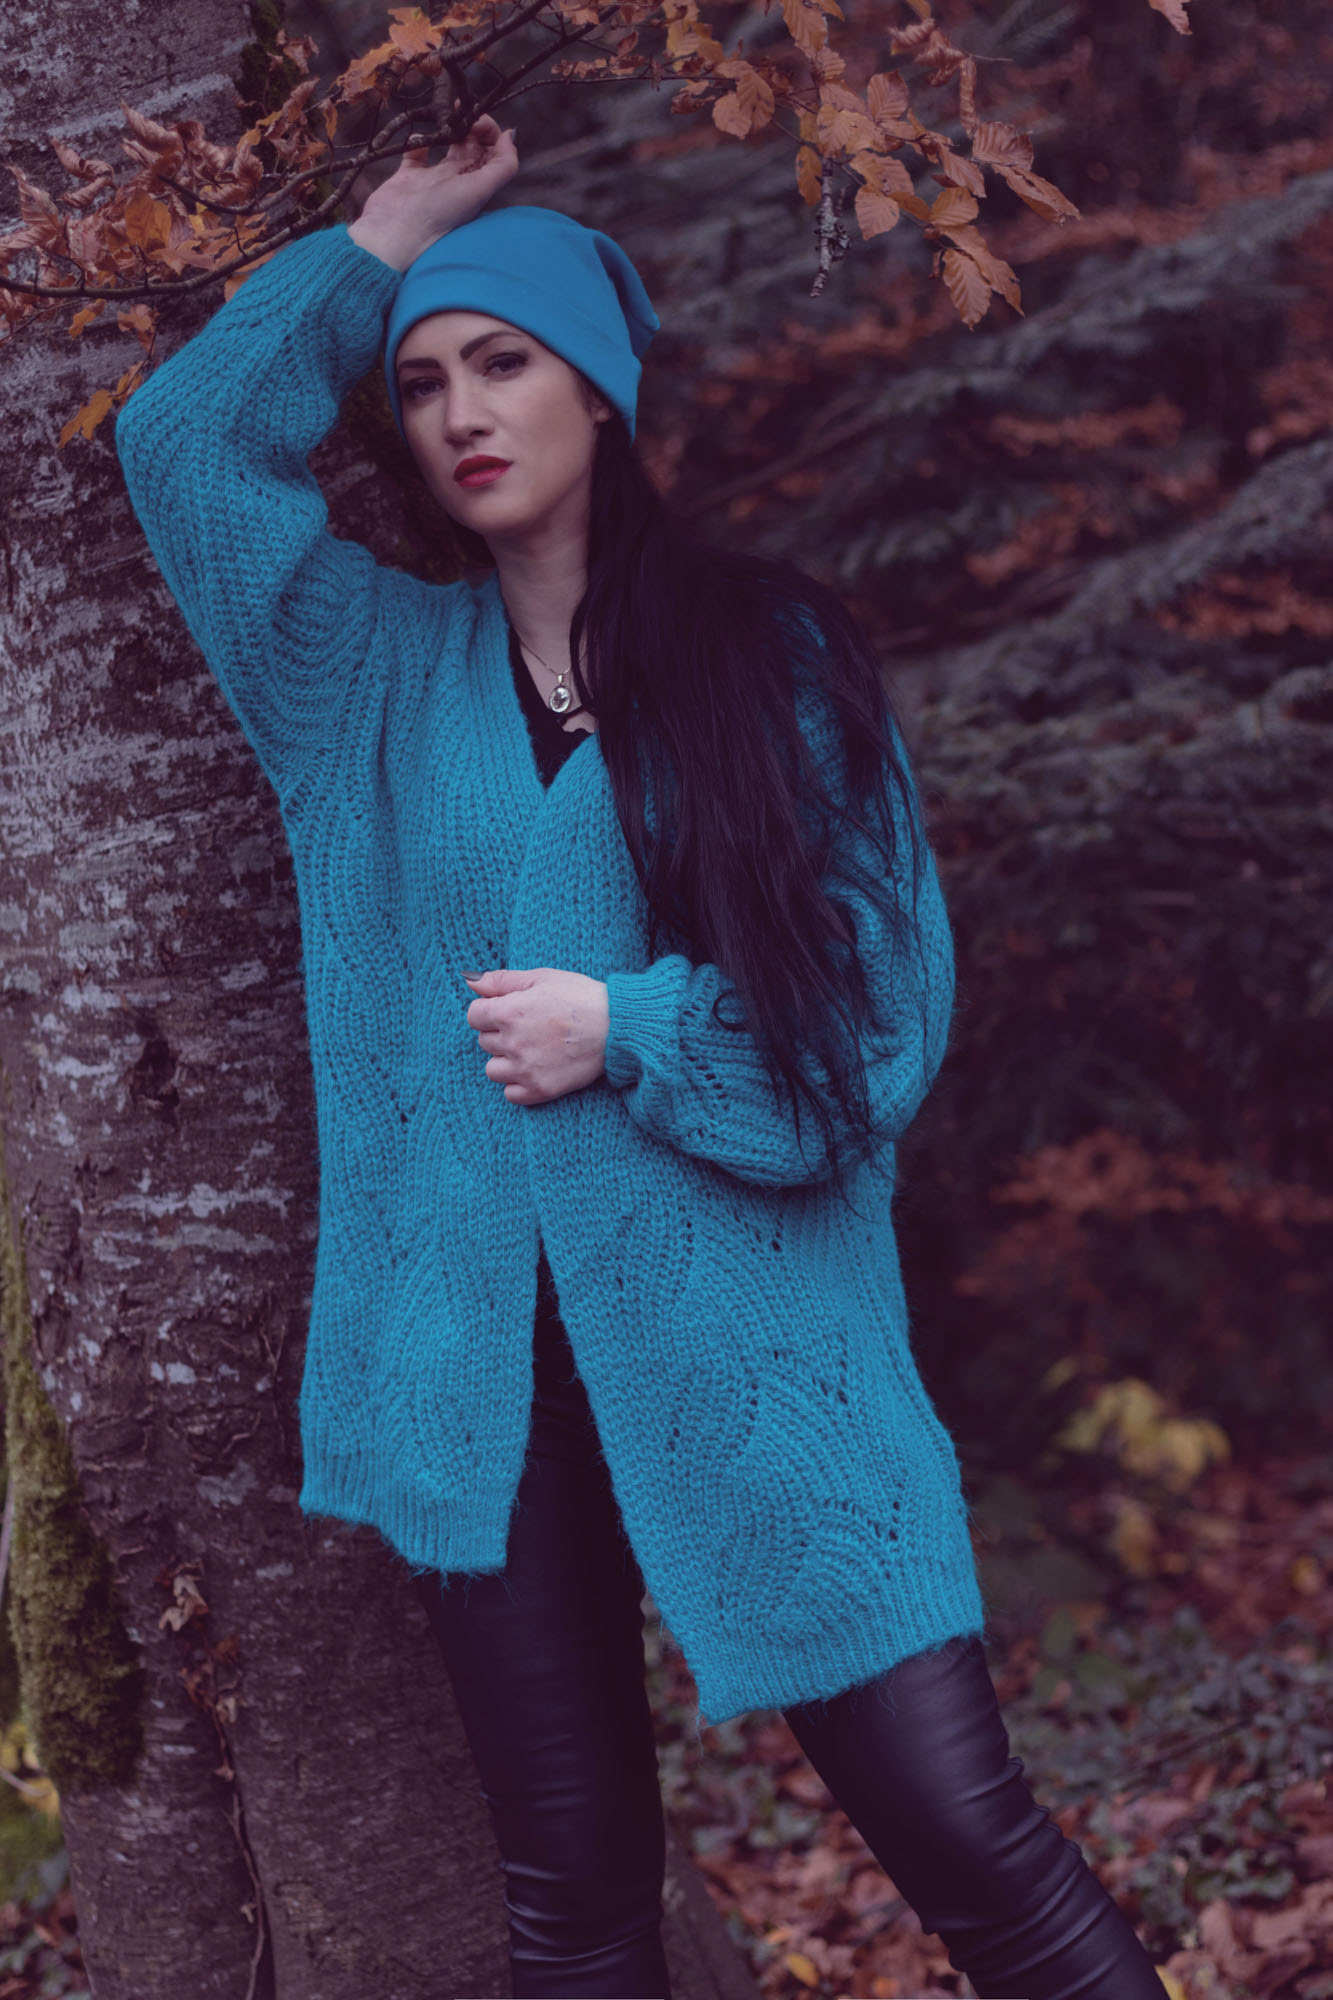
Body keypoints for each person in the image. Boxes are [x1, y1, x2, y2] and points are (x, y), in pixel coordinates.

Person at [114, 114, 1167, 2000]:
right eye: (421, 382)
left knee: (970, 1843)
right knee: (575, 1895)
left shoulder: (767, 662)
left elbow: (879, 1022)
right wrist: (381, 242)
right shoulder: (361, 674)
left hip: (763, 1357)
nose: (460, 413)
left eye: (503, 362)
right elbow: (181, 450)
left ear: (597, 390)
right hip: (478, 1380)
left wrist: (630, 1027)